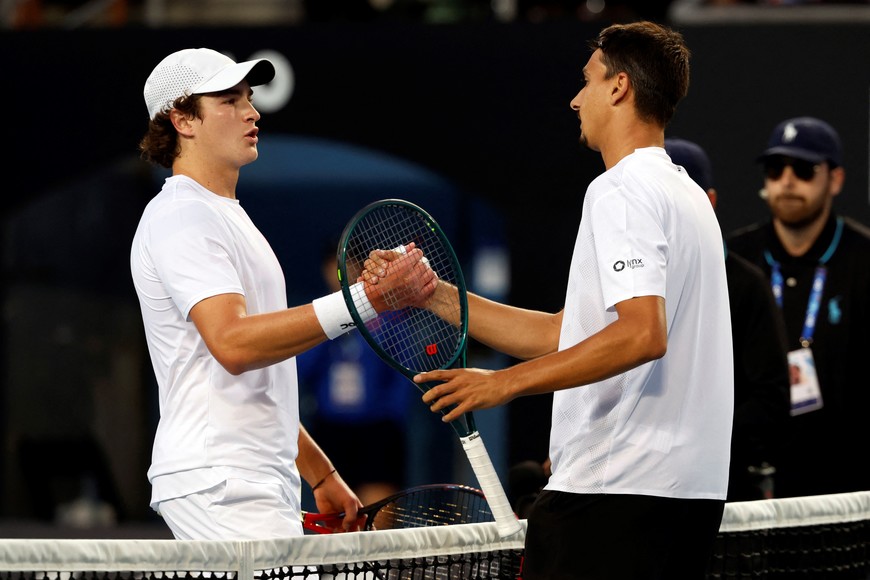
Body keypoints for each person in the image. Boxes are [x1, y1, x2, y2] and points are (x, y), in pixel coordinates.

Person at [369, 22, 733, 579]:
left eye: (586, 81)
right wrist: (433, 294)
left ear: (619, 88)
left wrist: (503, 384)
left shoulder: (620, 189)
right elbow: (567, 333)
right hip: (686, 499)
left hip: (612, 497)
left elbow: (642, 335)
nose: (574, 98)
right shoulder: (686, 194)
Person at [130, 48, 435, 539]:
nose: (252, 111)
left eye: (248, 97)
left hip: (254, 478)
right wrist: (367, 300)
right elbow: (233, 344)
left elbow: (259, 383)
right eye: (229, 100)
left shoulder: (228, 216)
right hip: (218, 481)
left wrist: (320, 472)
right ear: (183, 119)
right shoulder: (182, 215)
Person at [726, 116, 870, 498]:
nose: (787, 181)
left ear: (835, 180)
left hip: (842, 483)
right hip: (743, 477)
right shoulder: (734, 259)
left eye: (804, 169)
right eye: (775, 169)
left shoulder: (864, 259)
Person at [665, 137, 791, 501]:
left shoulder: (746, 284)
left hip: (719, 488)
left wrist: (685, 438)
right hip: (636, 488)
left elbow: (771, 399)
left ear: (710, 202)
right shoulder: (632, 282)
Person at [297, 244, 410, 505]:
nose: (340, 274)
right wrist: (332, 324)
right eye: (333, 268)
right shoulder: (316, 316)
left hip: (377, 430)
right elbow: (302, 371)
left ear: (360, 268)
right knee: (337, 515)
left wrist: (390, 419)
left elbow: (402, 372)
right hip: (331, 430)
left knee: (377, 514)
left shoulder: (388, 319)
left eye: (348, 266)